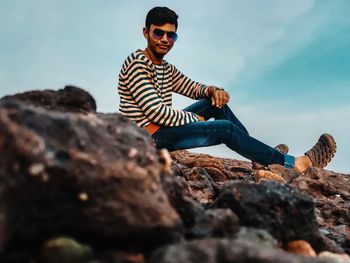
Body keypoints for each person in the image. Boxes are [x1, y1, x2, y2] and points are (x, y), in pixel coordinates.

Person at [118, 6, 336, 173]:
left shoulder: (165, 67)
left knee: (215, 105)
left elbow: (193, 88)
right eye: (158, 33)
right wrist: (194, 120)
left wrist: (214, 91)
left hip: (161, 130)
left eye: (171, 35)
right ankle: (294, 165)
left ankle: (259, 158)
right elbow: (157, 112)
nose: (165, 40)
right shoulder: (137, 63)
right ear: (146, 33)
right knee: (225, 129)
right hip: (147, 139)